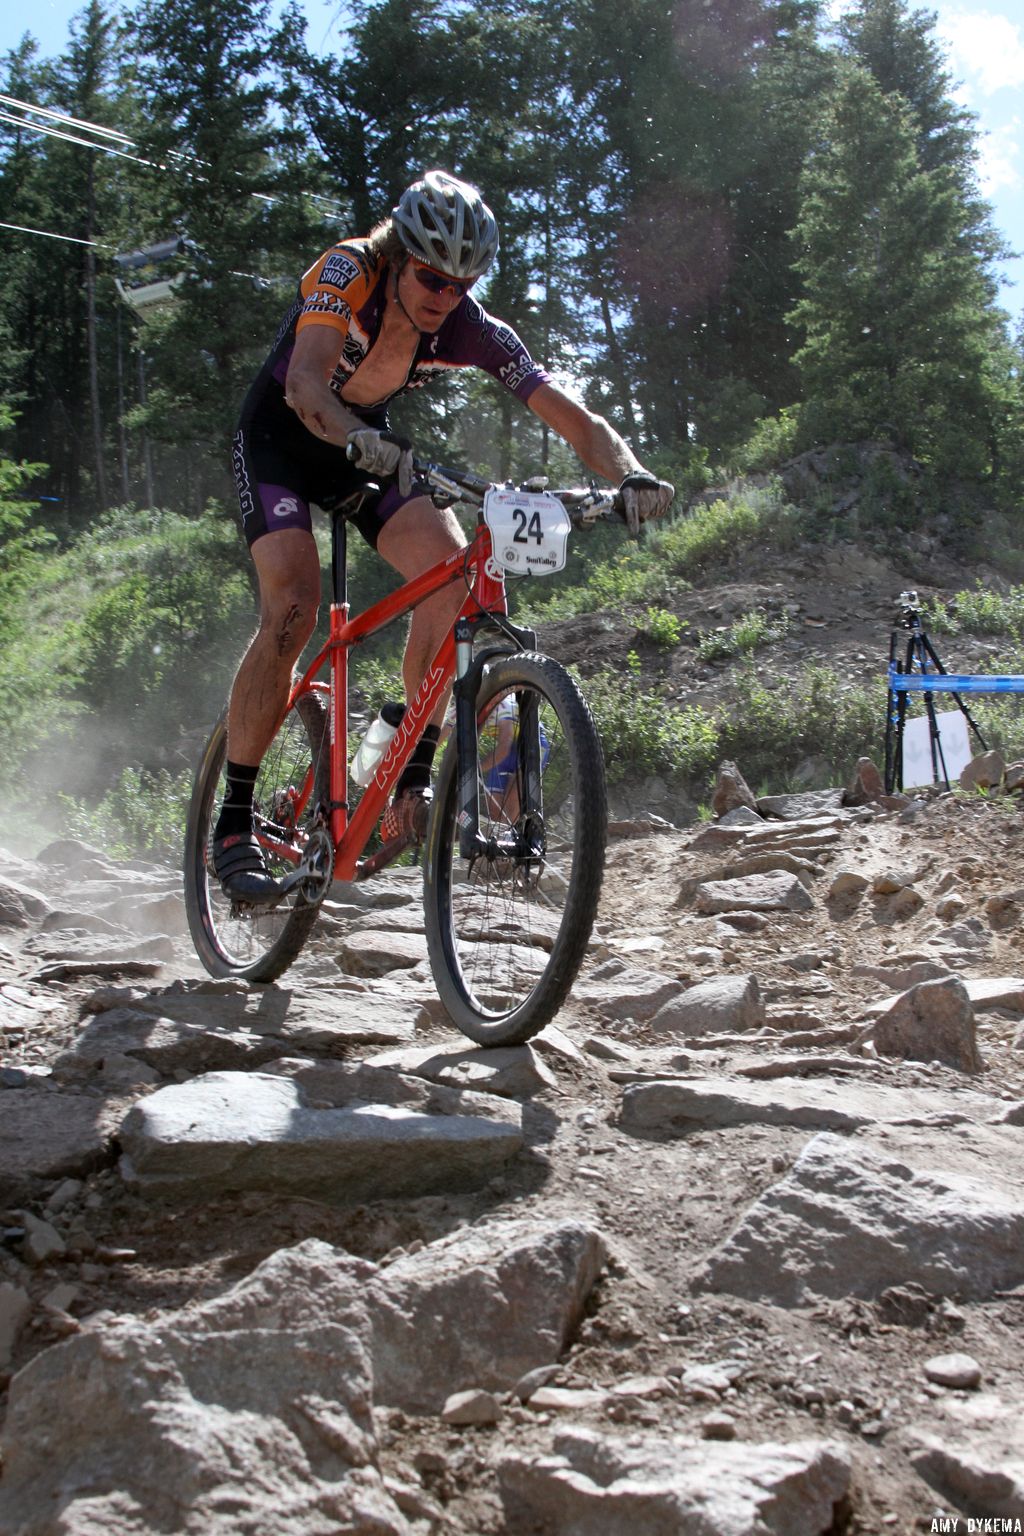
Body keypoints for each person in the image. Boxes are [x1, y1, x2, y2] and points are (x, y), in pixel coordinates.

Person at [215, 170, 674, 900]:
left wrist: (633, 473)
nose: (443, 297)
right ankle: (233, 821)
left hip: (365, 448)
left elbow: (572, 415)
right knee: (294, 608)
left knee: (455, 581)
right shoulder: (348, 270)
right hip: (279, 436)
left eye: (462, 285)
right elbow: (304, 384)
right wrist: (357, 436)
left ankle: (411, 770)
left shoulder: (466, 326)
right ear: (399, 255)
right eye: (431, 278)